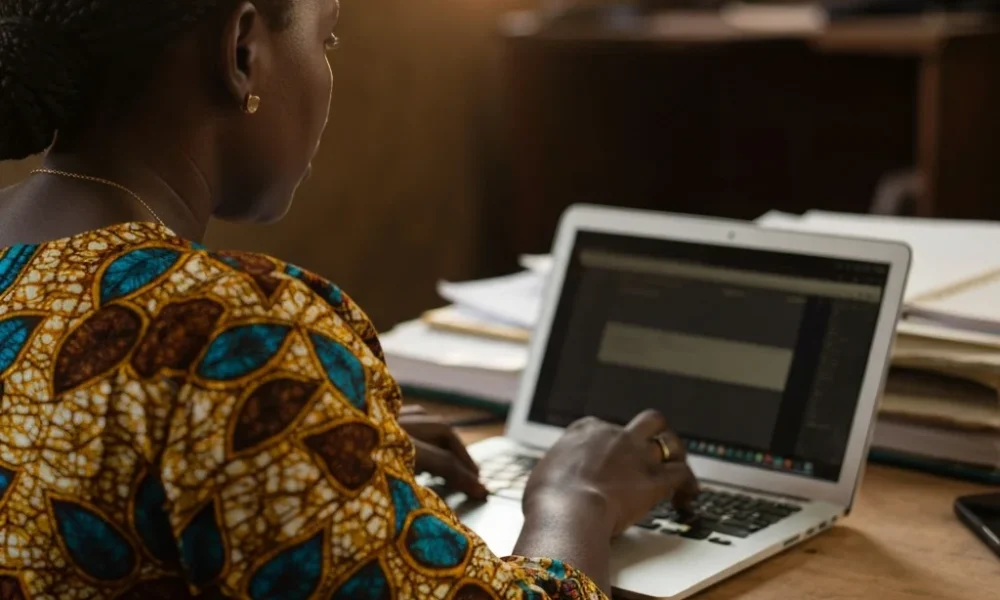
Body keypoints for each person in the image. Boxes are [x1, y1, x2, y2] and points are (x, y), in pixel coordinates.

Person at [0, 1, 698, 598]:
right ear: (242, 49)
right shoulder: (227, 336)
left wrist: (313, 446)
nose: (328, 68)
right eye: (325, 37)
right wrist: (577, 499)